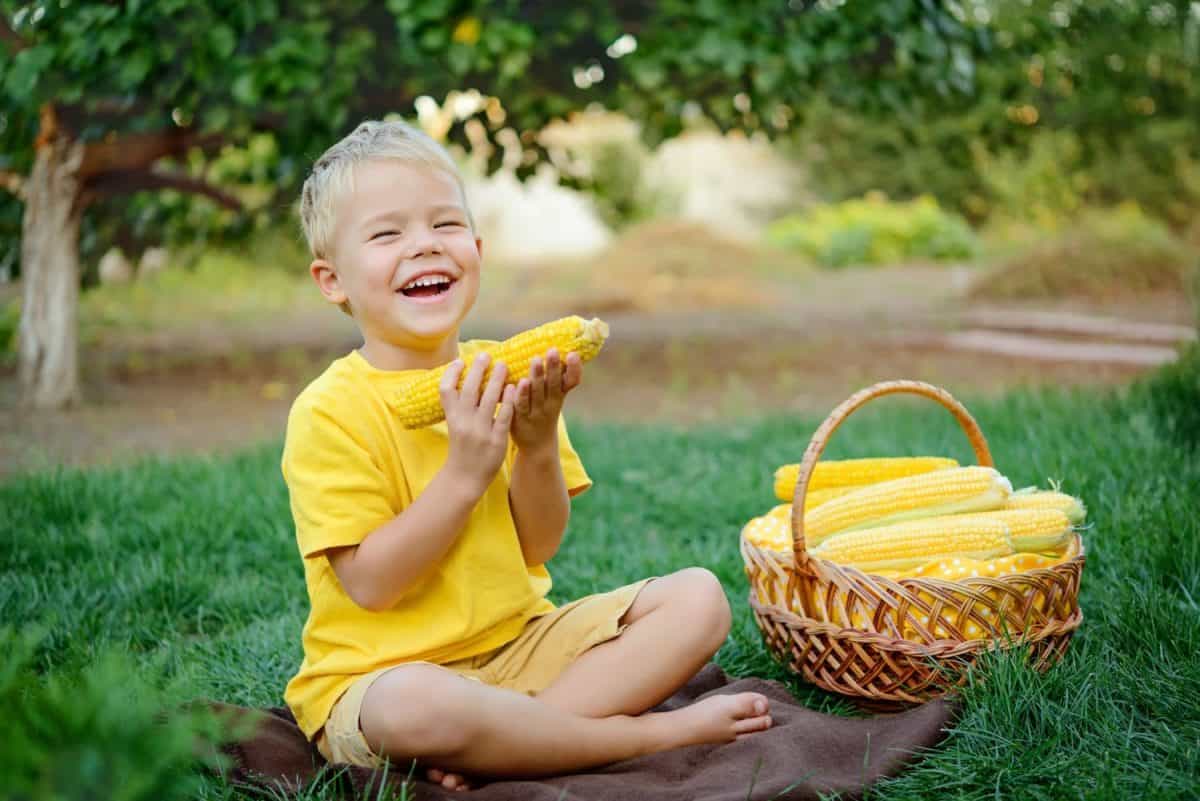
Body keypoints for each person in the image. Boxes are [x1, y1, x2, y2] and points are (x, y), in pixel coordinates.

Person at [282, 119, 772, 791]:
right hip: (382, 675)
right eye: (387, 233)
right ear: (332, 280)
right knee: (419, 704)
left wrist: (536, 442)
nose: (424, 246)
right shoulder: (328, 410)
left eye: (445, 225)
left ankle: (517, 738)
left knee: (699, 598)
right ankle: (635, 736)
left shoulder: (502, 372)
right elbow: (370, 583)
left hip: (521, 646)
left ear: (477, 248)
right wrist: (462, 475)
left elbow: (538, 544)